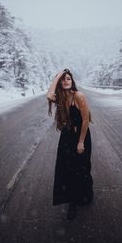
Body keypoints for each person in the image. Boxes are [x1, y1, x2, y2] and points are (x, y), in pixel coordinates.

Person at [46, 69, 93, 220]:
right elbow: (48, 95)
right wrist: (57, 77)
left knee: (82, 167)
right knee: (66, 168)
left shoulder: (78, 96)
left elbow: (85, 120)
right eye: (63, 79)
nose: (66, 81)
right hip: (66, 137)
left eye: (68, 78)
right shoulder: (61, 97)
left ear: (72, 81)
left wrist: (80, 142)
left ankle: (84, 194)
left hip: (81, 136)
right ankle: (72, 202)